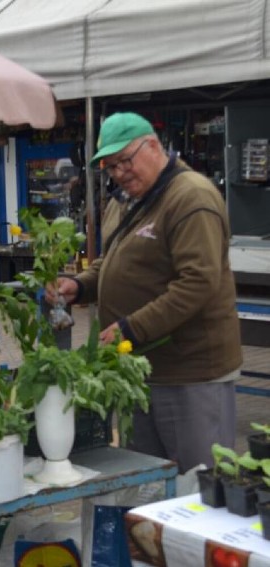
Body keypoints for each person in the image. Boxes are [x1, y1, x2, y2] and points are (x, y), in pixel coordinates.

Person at [48, 112, 242, 474]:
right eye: (111, 167)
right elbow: (112, 260)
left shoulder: (190, 197)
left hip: (189, 375)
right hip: (140, 373)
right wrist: (81, 285)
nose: (119, 173)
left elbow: (197, 282)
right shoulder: (126, 201)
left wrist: (131, 328)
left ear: (153, 145)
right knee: (151, 486)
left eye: (125, 161)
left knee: (198, 487)